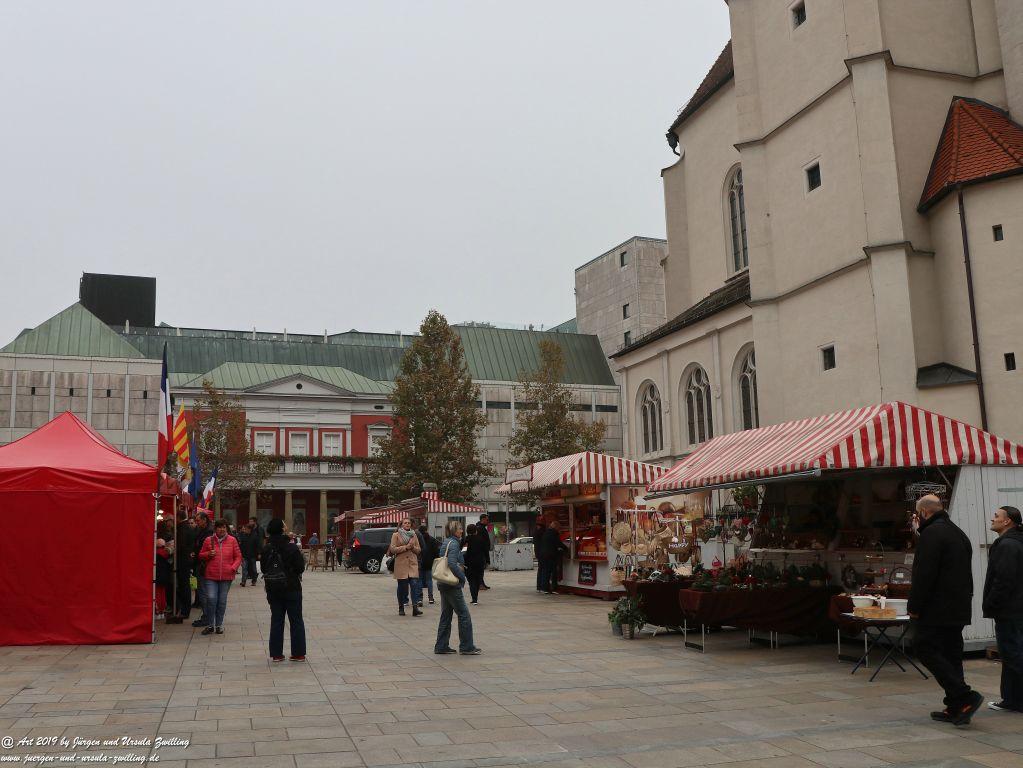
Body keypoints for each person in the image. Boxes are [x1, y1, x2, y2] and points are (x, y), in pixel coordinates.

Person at [909, 494, 983, 726]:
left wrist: (914, 607)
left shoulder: (932, 534)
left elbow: (925, 575)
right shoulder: (957, 532)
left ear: (923, 513)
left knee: (924, 647)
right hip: (957, 606)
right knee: (951, 654)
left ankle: (964, 695)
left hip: (936, 608)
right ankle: (958, 707)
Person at [983, 505, 1023, 712]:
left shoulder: (1007, 545)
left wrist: (991, 602)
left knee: (1012, 654)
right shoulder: (1016, 542)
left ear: (1008, 521)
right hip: (1017, 608)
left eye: (996, 516)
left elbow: (1004, 579)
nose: (993, 519)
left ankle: (1016, 700)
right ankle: (1011, 699)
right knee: (1013, 653)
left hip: (1009, 609)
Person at [262, 518, 307, 662]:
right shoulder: (291, 547)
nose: (286, 525)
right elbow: (300, 568)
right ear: (282, 529)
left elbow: (263, 568)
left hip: (273, 588)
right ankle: (298, 653)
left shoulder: (266, 548)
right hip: (292, 587)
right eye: (284, 524)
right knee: (296, 620)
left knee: (276, 620)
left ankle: (276, 654)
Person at [434, 520, 480, 655]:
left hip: (444, 582)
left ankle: (441, 646)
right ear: (454, 530)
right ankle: (466, 646)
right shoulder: (454, 544)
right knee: (464, 614)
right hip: (451, 584)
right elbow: (453, 564)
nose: (462, 531)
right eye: (460, 529)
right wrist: (462, 577)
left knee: (446, 615)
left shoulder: (446, 542)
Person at [198, 519, 242, 636]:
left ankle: (219, 625)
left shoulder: (232, 540)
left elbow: (238, 556)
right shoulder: (209, 540)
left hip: (226, 576)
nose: (222, 529)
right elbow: (200, 555)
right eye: (219, 527)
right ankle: (210, 624)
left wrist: (233, 568)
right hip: (211, 575)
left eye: (224, 527)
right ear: (215, 529)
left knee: (221, 601)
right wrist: (208, 554)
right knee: (211, 599)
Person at [389, 519, 422, 616]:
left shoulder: (414, 534)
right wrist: (406, 547)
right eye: (405, 523)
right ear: (401, 525)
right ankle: (401, 607)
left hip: (412, 564)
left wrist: (413, 548)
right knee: (402, 587)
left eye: (409, 523)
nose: (407, 524)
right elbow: (393, 549)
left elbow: (419, 550)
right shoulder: (396, 535)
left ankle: (415, 608)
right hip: (401, 564)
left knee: (414, 585)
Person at [191, 513, 214, 627]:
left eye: (198, 520)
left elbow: (207, 550)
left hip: (204, 565)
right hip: (200, 564)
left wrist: (197, 554)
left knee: (204, 593)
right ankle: (206, 616)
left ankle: (207, 617)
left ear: (205, 520)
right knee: (203, 592)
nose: (197, 522)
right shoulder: (202, 531)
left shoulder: (208, 533)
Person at [538, 520, 568, 594]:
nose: (559, 529)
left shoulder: (546, 532)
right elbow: (558, 543)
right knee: (552, 572)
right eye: (559, 528)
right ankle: (551, 588)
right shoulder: (553, 533)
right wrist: (566, 548)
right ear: (556, 527)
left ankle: (544, 588)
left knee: (545, 571)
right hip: (550, 555)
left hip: (543, 555)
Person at [174, 511, 193, 619]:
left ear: (178, 517)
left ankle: (185, 610)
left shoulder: (182, 528)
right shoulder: (187, 527)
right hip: (186, 559)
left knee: (184, 585)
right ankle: (185, 609)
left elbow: (181, 545)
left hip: (182, 560)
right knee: (185, 585)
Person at [465, 524, 489, 605]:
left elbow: (462, 551)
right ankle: (475, 598)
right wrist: (487, 561)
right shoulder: (481, 539)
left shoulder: (466, 540)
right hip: (479, 563)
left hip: (468, 563)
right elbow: (486, 551)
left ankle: (474, 599)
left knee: (471, 581)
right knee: (478, 580)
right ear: (476, 531)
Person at [418, 525, 439, 605]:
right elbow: (436, 552)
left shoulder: (418, 539)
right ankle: (430, 598)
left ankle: (420, 599)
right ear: (427, 530)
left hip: (420, 562)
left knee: (419, 581)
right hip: (429, 562)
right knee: (429, 580)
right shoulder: (432, 539)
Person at [477, 514, 492, 590]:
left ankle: (482, 583)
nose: (488, 521)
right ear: (482, 519)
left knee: (482, 569)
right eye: (487, 520)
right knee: (480, 569)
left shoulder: (482, 528)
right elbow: (482, 541)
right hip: (481, 552)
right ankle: (480, 584)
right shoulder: (480, 528)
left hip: (483, 551)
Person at [249, 517, 265, 585]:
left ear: (255, 522)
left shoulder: (260, 529)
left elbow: (262, 539)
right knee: (251, 565)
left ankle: (254, 579)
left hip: (258, 549)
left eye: (251, 521)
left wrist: (261, 550)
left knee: (255, 565)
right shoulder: (250, 529)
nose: (250, 523)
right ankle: (253, 576)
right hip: (251, 549)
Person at [533, 519, 547, 592]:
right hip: (542, 553)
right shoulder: (541, 532)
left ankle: (539, 586)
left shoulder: (536, 532)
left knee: (540, 569)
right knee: (543, 569)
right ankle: (543, 586)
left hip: (538, 553)